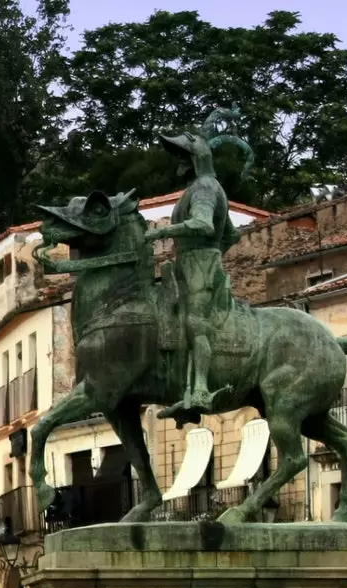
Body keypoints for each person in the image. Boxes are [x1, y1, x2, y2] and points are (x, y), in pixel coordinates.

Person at [152, 109, 250, 424]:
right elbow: (232, 234)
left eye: (182, 156)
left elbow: (204, 224)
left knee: (195, 322)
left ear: (195, 158)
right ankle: (181, 385)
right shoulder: (202, 188)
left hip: (200, 266)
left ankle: (201, 390)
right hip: (193, 262)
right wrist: (215, 252)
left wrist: (165, 232)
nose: (178, 163)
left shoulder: (205, 188)